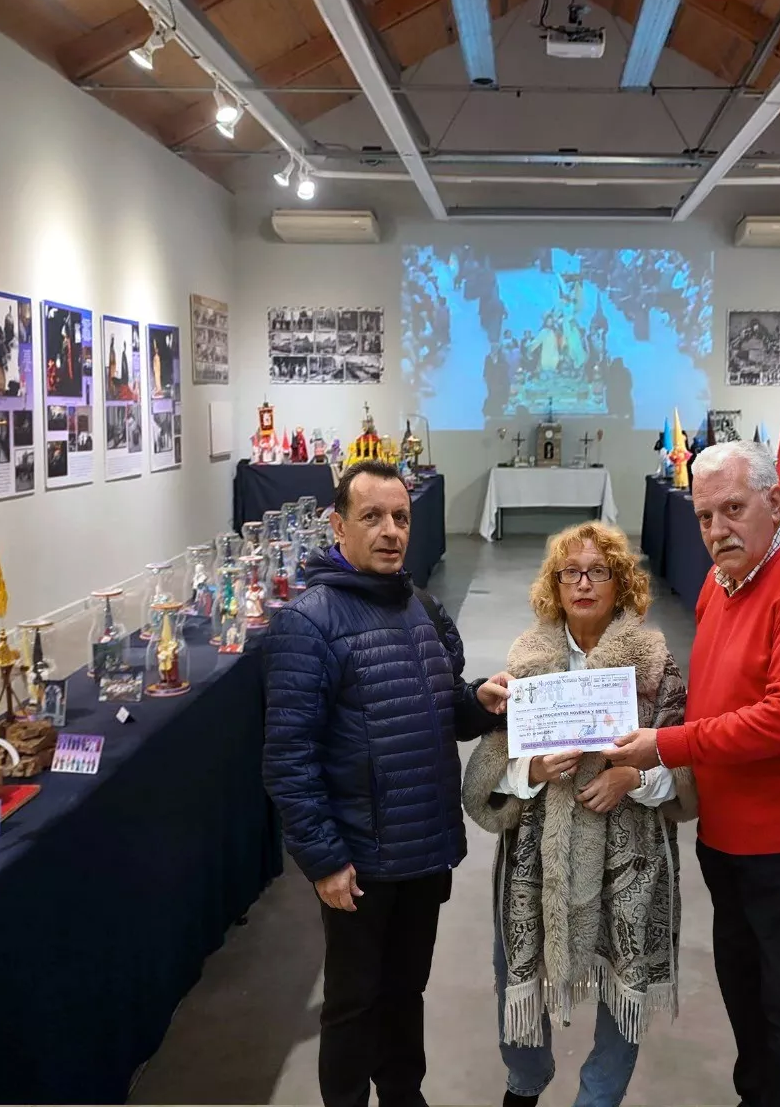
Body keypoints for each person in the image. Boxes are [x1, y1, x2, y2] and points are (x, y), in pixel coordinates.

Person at [608, 440, 780, 1107]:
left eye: (733, 509)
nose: (717, 531)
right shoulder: (725, 580)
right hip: (732, 841)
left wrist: (666, 745)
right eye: (703, 517)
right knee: (750, 1002)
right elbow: (714, 689)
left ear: (777, 502)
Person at [263, 461, 509, 1107]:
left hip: (423, 850)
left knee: (405, 992)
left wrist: (480, 701)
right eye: (372, 517)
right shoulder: (308, 623)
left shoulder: (422, 607)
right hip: (360, 860)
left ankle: (404, 1094)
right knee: (353, 1002)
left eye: (400, 517)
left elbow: (441, 708)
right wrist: (324, 859)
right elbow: (288, 758)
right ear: (337, 525)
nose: (391, 530)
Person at [462, 522, 696, 1107]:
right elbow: (494, 764)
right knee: (516, 962)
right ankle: (525, 1080)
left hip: (629, 851)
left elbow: (685, 768)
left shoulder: (655, 664)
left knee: (625, 970)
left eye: (599, 571)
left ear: (621, 583)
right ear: (555, 585)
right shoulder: (528, 662)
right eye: (571, 572)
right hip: (538, 851)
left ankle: (600, 1096)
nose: (584, 583)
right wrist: (530, 773)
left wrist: (633, 777)